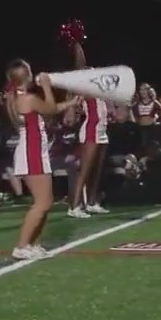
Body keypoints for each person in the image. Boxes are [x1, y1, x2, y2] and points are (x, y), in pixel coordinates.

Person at [6, 61, 79, 259]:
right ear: (26, 76)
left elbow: (50, 108)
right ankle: (21, 246)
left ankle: (32, 244)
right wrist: (47, 85)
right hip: (32, 153)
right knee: (43, 202)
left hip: (35, 151)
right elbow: (51, 109)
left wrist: (71, 104)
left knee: (45, 201)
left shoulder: (23, 98)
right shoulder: (27, 99)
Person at [65, 36, 109, 217]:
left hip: (102, 129)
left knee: (97, 170)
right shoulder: (85, 88)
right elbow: (80, 65)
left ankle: (91, 202)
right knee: (85, 170)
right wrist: (76, 43)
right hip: (91, 128)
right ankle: (74, 207)